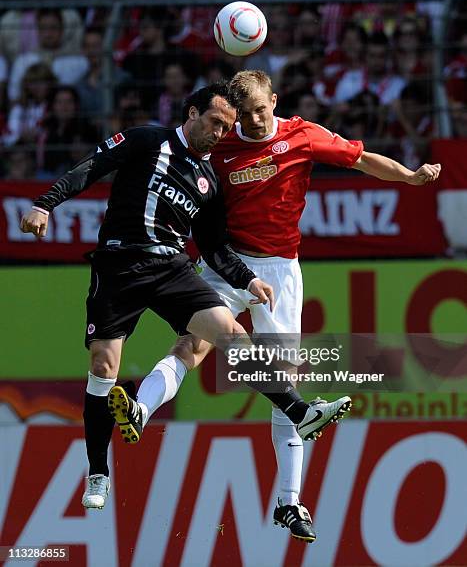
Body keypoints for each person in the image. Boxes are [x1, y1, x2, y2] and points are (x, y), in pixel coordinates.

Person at [114, 70, 441, 544]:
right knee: (194, 344)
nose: (252, 121)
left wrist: (409, 176)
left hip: (281, 271)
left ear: (275, 100)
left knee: (284, 378)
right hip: (228, 265)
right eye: (243, 115)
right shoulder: (220, 144)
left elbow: (361, 159)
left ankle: (289, 501)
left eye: (260, 111)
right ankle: (141, 410)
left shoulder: (302, 135)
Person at [19, 82, 335, 519]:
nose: (220, 133)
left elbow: (213, 246)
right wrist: (45, 203)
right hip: (119, 265)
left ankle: (298, 410)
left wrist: (247, 281)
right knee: (102, 367)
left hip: (172, 269)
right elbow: (91, 166)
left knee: (230, 334)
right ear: (191, 113)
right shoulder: (146, 140)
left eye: (227, 128)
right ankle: (97, 471)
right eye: (214, 123)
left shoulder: (208, 181)